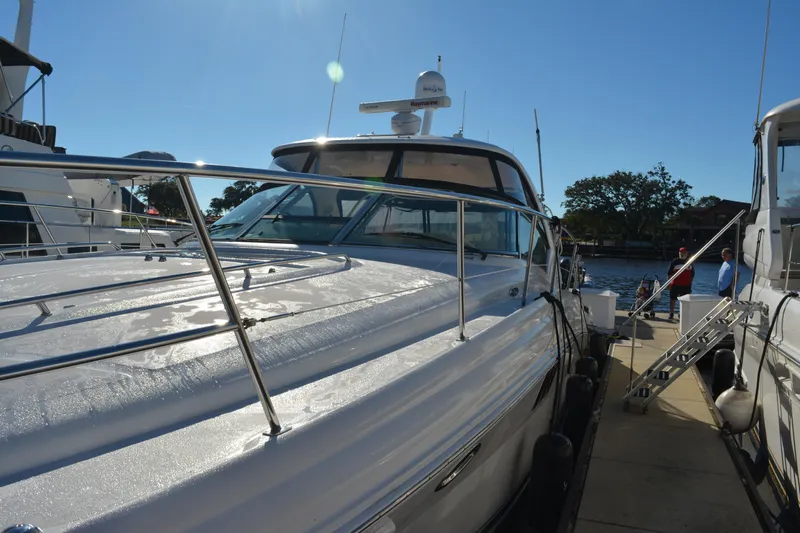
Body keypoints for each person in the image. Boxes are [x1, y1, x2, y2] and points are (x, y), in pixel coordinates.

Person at [667, 247, 694, 320]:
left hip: (686, 285)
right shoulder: (675, 261)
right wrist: (669, 283)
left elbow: (692, 275)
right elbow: (669, 273)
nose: (682, 254)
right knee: (673, 299)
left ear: (687, 253)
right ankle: (671, 313)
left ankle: (681, 313)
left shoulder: (690, 262)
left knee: (684, 300)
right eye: (681, 252)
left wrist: (690, 284)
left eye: (684, 252)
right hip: (675, 284)